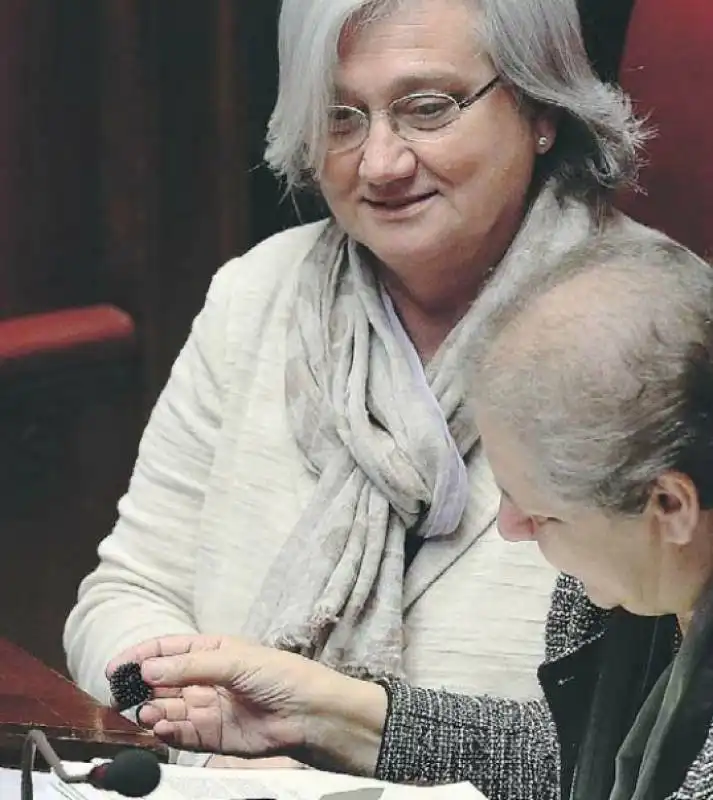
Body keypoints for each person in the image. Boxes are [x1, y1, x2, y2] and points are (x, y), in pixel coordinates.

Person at [65, 0, 649, 761]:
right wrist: (178, 708)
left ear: (541, 107)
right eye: (341, 118)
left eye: (426, 109)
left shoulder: (656, 334)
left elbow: (656, 740)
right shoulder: (256, 295)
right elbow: (123, 596)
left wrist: (336, 726)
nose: (380, 162)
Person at [110, 233, 713, 800]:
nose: (509, 527)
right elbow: (577, 760)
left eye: (542, 517)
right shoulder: (631, 587)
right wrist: (323, 712)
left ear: (670, 506)